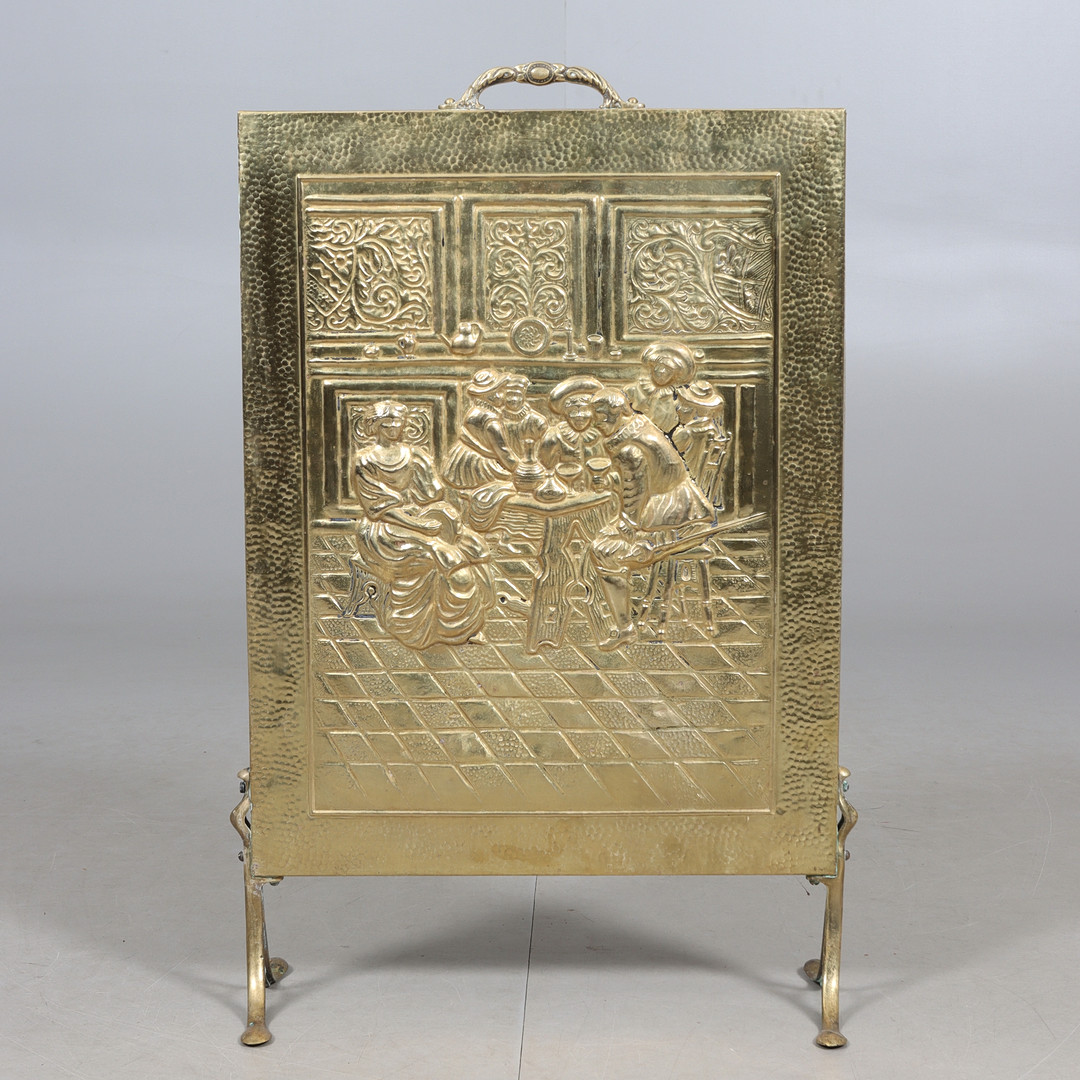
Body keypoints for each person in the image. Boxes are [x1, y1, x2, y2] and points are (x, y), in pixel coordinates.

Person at [352, 400, 493, 649]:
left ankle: (461, 628)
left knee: (474, 546)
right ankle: (410, 627)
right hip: (384, 529)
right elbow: (378, 509)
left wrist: (438, 512)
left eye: (397, 421)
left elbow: (431, 495)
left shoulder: (414, 456)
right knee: (444, 559)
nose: (393, 426)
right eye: (386, 422)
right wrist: (420, 528)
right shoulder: (365, 461)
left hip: (418, 518)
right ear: (374, 425)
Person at [588, 389, 714, 649]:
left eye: (600, 416)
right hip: (684, 513)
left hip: (678, 524)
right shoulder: (640, 426)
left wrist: (626, 526)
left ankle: (625, 628)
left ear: (617, 414)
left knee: (604, 551)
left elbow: (635, 494)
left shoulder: (628, 448)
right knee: (603, 537)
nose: (595, 422)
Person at [441, 369, 518, 531]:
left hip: (462, 460)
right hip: (478, 467)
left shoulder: (473, 413)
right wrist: (519, 469)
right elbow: (504, 452)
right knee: (510, 486)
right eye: (501, 391)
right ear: (491, 396)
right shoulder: (492, 423)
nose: (504, 396)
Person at [537, 375, 606, 491]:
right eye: (573, 411)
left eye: (584, 410)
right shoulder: (554, 436)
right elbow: (544, 469)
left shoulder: (600, 434)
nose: (579, 416)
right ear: (564, 412)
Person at [671, 380, 730, 508]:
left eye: (684, 406)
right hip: (704, 482)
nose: (678, 409)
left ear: (696, 411)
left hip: (687, 480)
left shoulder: (687, 433)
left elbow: (670, 453)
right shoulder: (713, 430)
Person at [624, 341, 696, 434]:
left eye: (668, 370)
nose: (662, 371)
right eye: (659, 366)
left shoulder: (677, 398)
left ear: (675, 375)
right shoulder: (634, 389)